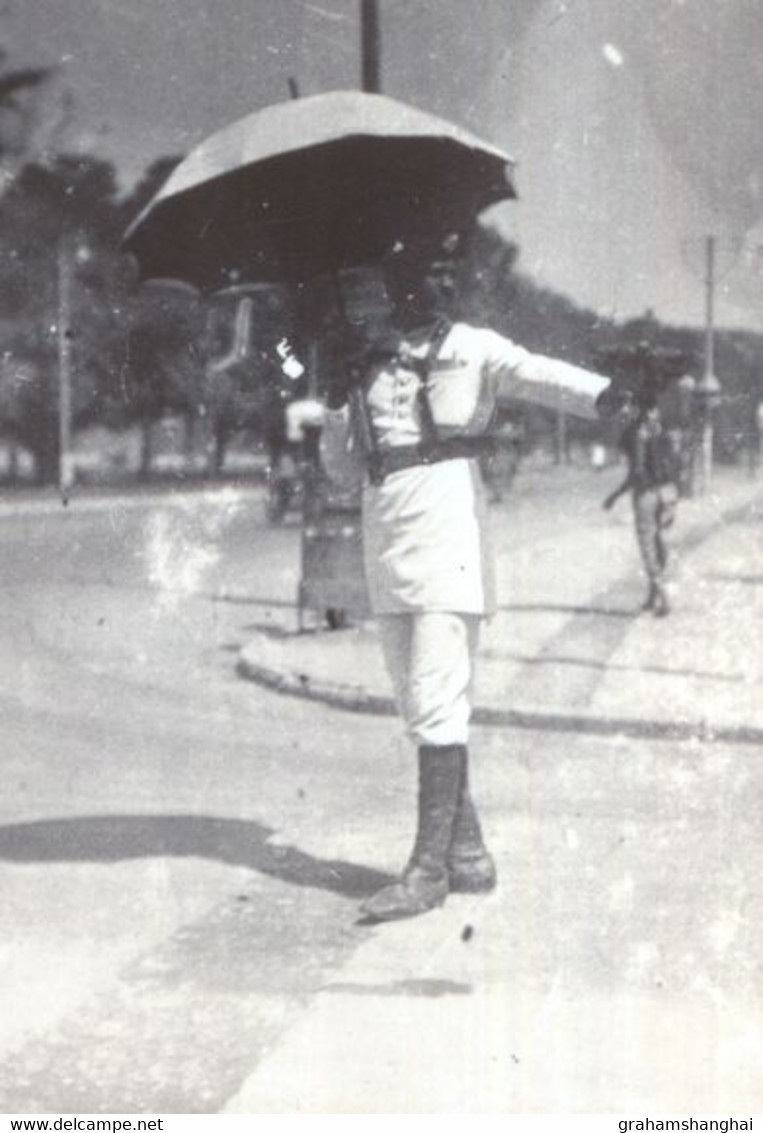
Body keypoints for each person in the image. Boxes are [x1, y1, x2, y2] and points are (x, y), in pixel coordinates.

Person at [320, 230, 614, 923]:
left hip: (448, 521)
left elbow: (540, 374)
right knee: (415, 700)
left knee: (435, 692)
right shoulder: (359, 367)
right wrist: (337, 404)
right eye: (349, 291)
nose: (357, 304)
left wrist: (612, 396)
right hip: (384, 532)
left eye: (368, 289)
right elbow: (340, 471)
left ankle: (426, 871)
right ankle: (469, 853)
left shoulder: (470, 346)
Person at [603, 392, 680, 616]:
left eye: (630, 407)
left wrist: (615, 495)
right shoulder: (660, 429)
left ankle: (663, 596)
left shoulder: (636, 433)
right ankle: (652, 595)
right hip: (667, 493)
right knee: (658, 540)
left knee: (647, 545)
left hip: (646, 494)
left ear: (637, 408)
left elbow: (636, 472)